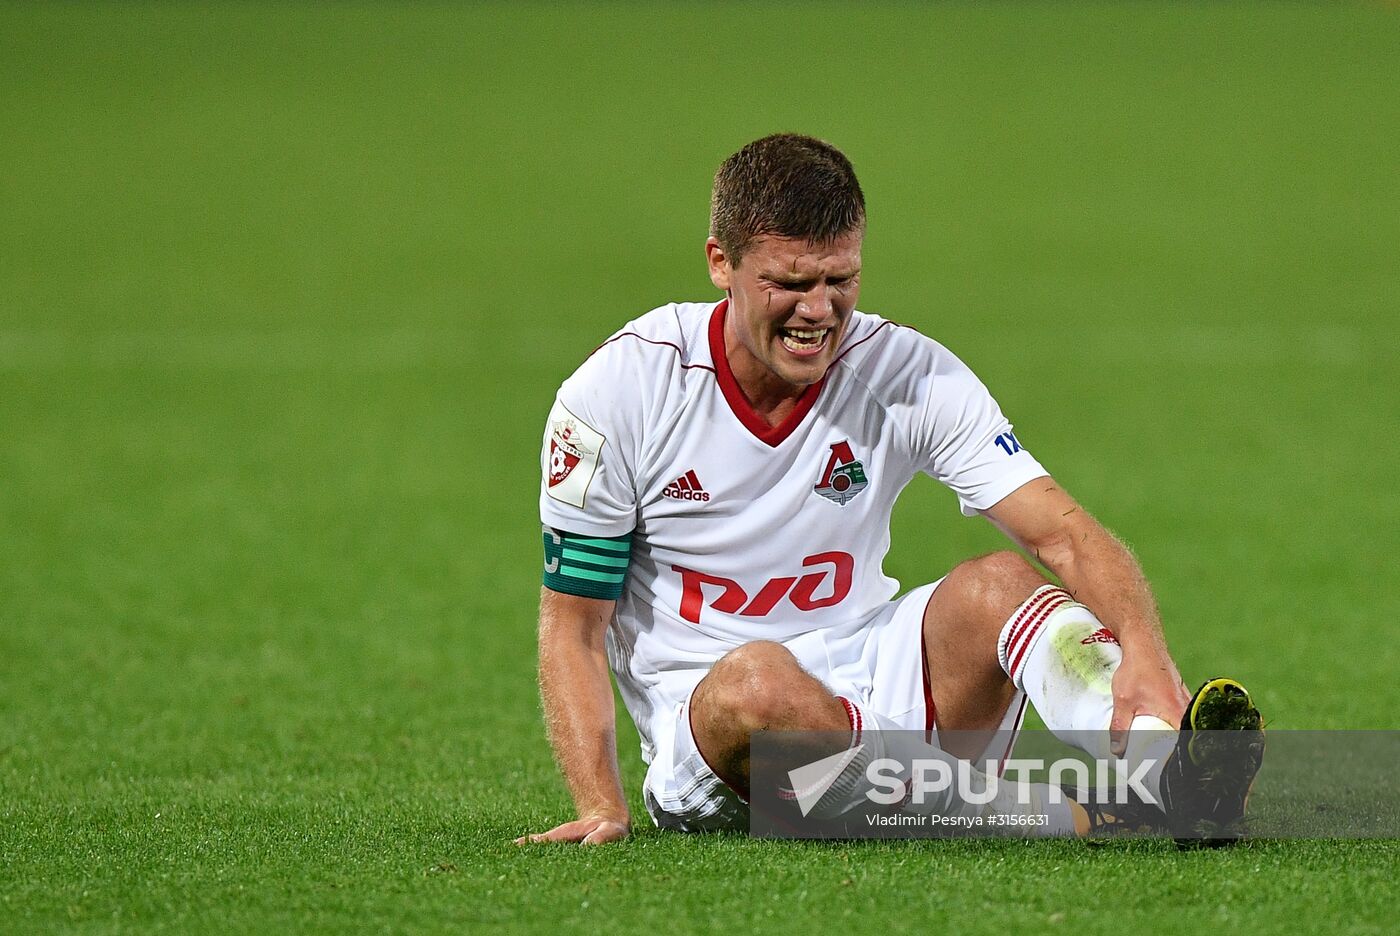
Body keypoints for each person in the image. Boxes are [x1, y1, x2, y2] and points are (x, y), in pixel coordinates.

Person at [518, 133, 1262, 846]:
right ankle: (1064, 814)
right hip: (712, 731)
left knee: (999, 583)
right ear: (721, 262)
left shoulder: (906, 373)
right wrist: (599, 804)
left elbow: (1061, 532)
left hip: (873, 673)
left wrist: (1146, 649)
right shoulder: (619, 393)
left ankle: (1169, 771)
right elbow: (574, 625)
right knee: (758, 685)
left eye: (840, 280)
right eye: (789, 283)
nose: (818, 311)